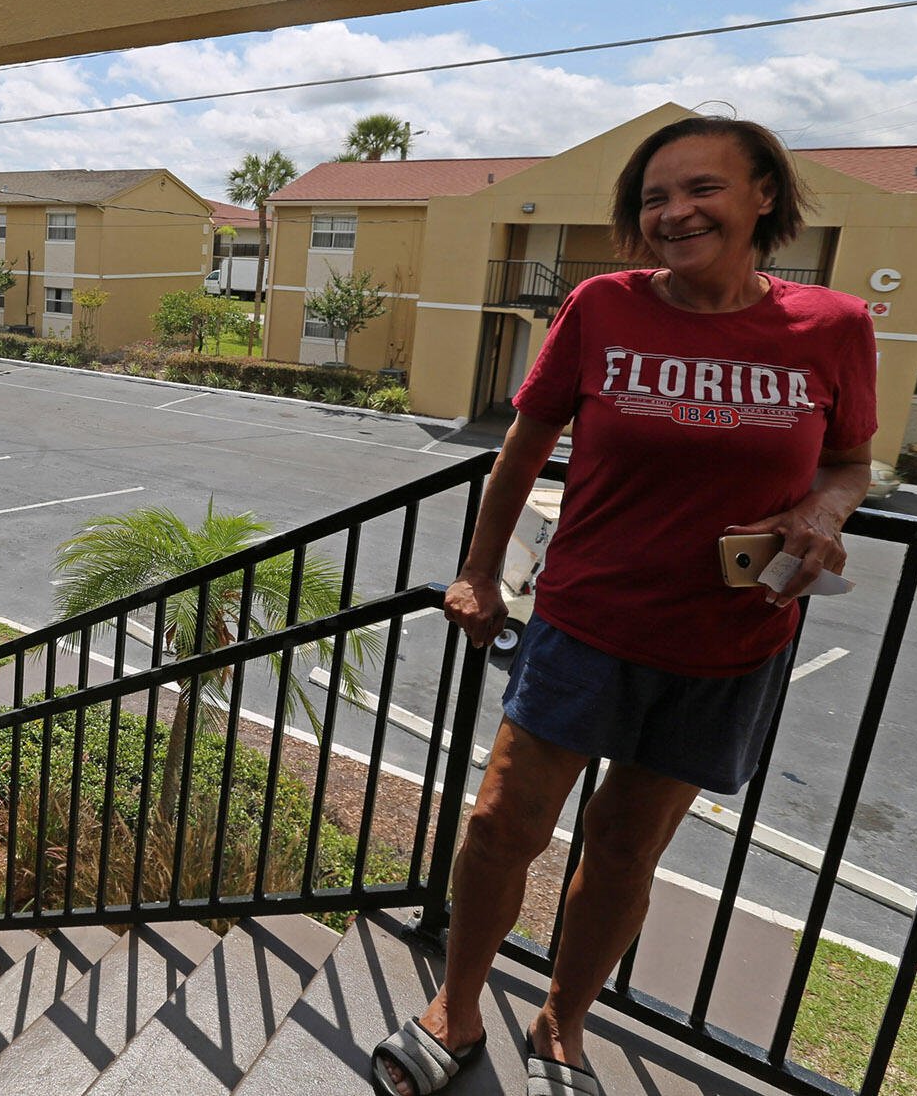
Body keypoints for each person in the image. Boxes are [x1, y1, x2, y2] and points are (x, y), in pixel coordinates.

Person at [371, 116, 876, 1096]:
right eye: (653, 197)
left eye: (700, 189)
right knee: (498, 827)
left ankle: (560, 1024)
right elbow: (518, 450)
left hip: (729, 641)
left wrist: (821, 505)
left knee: (622, 850)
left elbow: (849, 460)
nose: (673, 212)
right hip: (584, 625)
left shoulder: (833, 325)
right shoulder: (601, 306)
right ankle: (454, 1006)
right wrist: (478, 571)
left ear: (762, 195)